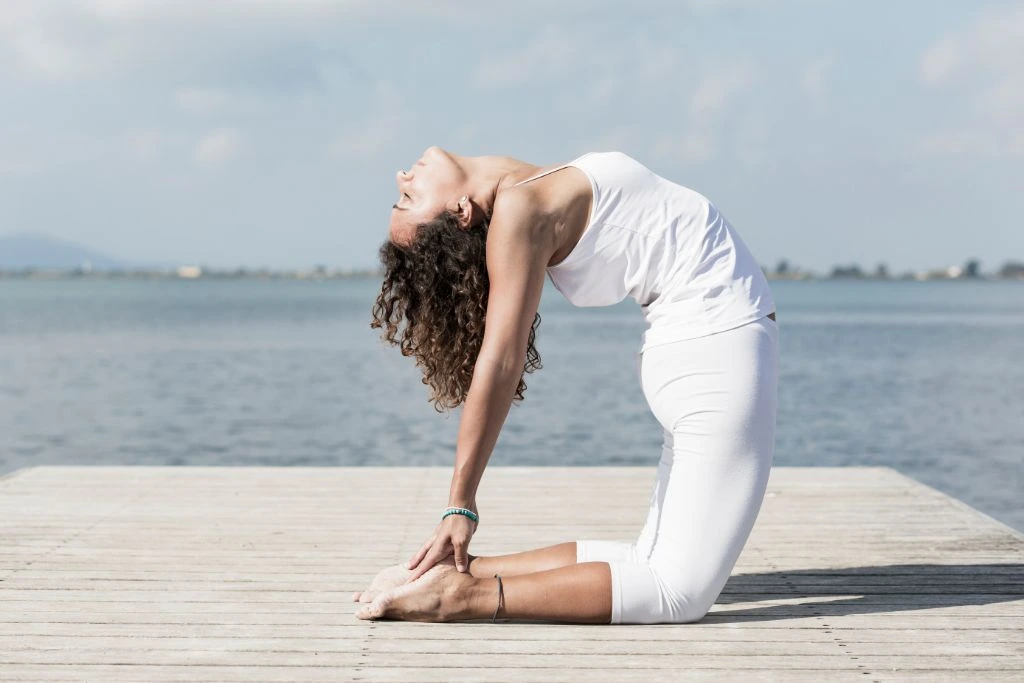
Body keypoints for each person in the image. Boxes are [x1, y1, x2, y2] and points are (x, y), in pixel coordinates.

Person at [356, 146, 779, 624]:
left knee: (648, 561)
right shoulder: (522, 210)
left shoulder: (528, 191)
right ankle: (459, 599)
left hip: (700, 352)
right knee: (677, 592)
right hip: (714, 352)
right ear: (460, 212)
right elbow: (499, 360)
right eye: (407, 201)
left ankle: (462, 573)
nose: (401, 179)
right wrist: (461, 504)